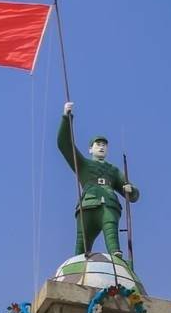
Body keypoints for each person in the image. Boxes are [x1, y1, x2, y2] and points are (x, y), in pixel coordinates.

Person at [58, 102, 140, 262]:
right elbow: (65, 145)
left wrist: (131, 190)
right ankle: (76, 265)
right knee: (81, 245)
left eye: (104, 145)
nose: (101, 147)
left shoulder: (113, 170)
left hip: (109, 204)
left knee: (112, 235)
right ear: (90, 149)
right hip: (88, 205)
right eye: (98, 145)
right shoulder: (83, 164)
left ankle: (117, 257)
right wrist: (66, 118)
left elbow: (131, 192)